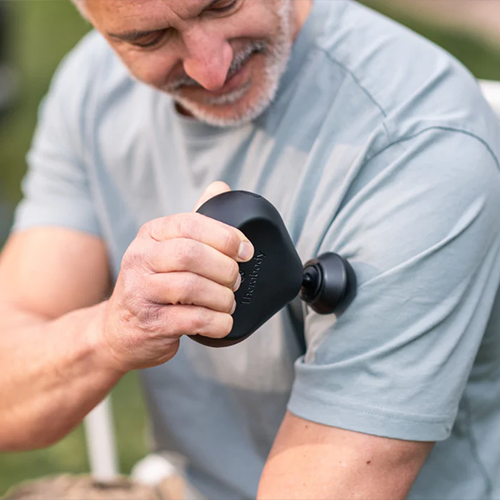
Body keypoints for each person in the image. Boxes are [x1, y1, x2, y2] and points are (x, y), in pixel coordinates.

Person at [1, 0, 500, 498]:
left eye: (222, 5)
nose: (211, 71)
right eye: (149, 39)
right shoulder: (95, 85)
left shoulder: (416, 148)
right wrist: (110, 334)